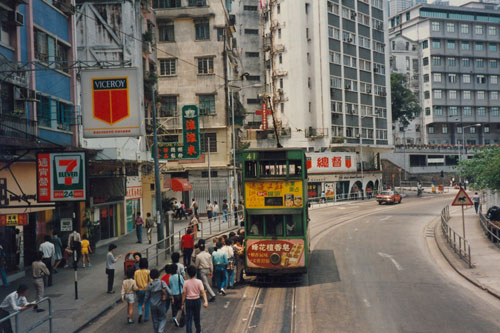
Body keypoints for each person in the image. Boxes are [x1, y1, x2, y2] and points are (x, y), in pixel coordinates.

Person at [182, 265, 208, 333]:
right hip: (196, 300)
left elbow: (184, 294)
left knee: (189, 319)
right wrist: (205, 301)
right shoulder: (199, 282)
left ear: (188, 273)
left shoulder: (185, 282)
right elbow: (203, 292)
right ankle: (198, 331)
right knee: (197, 317)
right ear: (196, 273)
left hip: (188, 301)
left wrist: (182, 304)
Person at [146, 268, 171, 333]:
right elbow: (170, 292)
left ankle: (156, 331)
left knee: (155, 320)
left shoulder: (150, 285)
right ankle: (160, 330)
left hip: (152, 305)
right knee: (163, 318)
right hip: (161, 303)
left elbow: (147, 296)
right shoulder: (162, 283)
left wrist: (144, 303)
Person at [134, 258, 151, 323]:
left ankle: (140, 312)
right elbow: (151, 281)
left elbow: (134, 282)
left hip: (139, 289)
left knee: (140, 302)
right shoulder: (148, 272)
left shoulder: (136, 272)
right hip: (146, 289)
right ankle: (146, 317)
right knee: (147, 303)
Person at [168, 263, 184, 327]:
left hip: (173, 295)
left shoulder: (170, 278)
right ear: (176, 269)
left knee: (174, 308)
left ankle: (174, 316)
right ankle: (178, 318)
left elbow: (170, 287)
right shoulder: (179, 276)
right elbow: (183, 284)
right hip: (180, 294)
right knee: (181, 306)